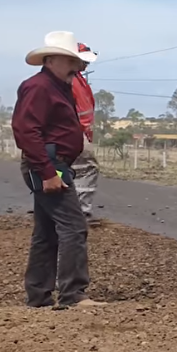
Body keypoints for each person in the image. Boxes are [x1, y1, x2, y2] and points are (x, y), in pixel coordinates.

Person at [11, 31, 106, 309]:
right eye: (70, 61)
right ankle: (73, 295)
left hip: (53, 163)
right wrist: (48, 172)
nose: (76, 67)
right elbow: (26, 130)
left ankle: (39, 297)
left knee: (47, 232)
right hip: (48, 164)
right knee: (74, 227)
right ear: (51, 60)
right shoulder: (39, 87)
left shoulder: (57, 85)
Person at [71, 42, 101, 226]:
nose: (87, 65)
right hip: (75, 132)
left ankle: (66, 212)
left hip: (77, 131)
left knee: (65, 171)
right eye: (84, 60)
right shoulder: (73, 81)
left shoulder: (77, 78)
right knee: (87, 168)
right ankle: (81, 213)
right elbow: (80, 110)